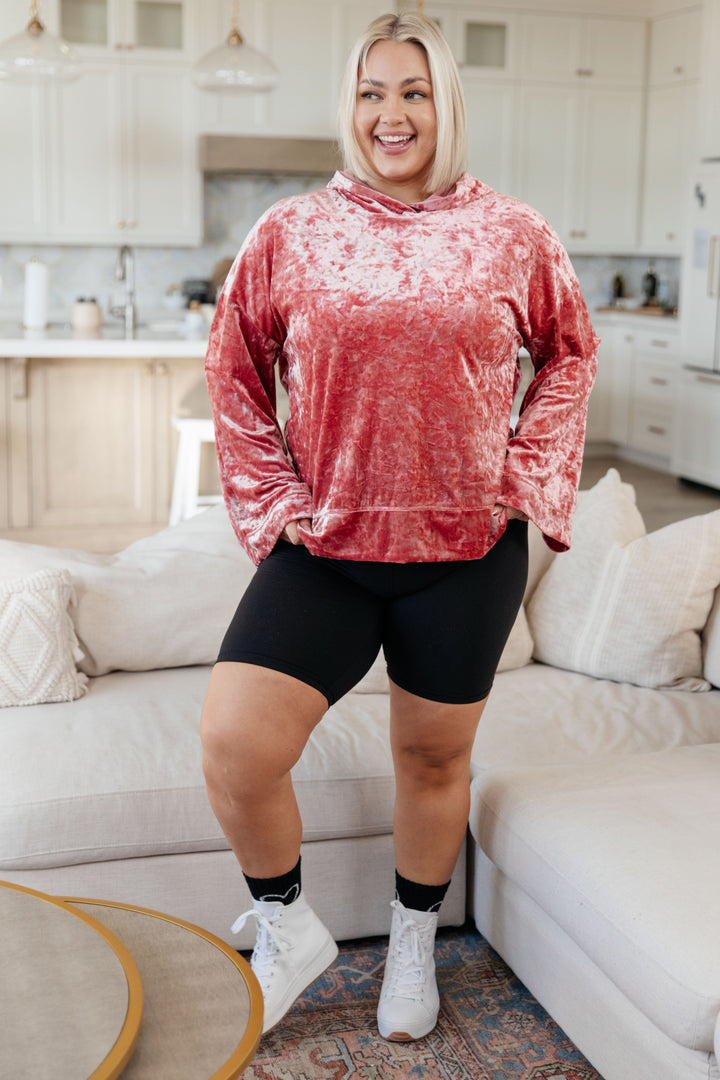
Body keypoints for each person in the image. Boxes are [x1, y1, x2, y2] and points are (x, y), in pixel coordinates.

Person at [201, 11, 599, 1042]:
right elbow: (233, 366)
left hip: (465, 554)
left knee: (430, 761)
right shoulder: (292, 230)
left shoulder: (514, 232)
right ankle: (288, 927)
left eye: (413, 92)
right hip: (326, 548)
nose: (393, 113)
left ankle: (413, 942)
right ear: (351, 106)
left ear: (444, 104)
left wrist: (524, 476)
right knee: (235, 744)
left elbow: (570, 354)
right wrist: (274, 499)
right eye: (373, 92)